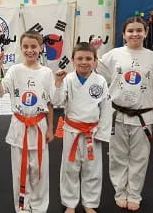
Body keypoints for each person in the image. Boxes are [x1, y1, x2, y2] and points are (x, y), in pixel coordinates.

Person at [95, 16, 153, 211]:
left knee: (140, 156)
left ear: (146, 32)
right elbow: (95, 71)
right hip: (117, 113)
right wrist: (95, 51)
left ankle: (134, 193)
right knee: (117, 156)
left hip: (143, 114)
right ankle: (120, 192)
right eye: (130, 30)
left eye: (139, 30)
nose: (134, 34)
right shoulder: (114, 55)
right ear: (123, 34)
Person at [0, 30, 55, 213]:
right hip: (19, 124)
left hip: (39, 125)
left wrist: (51, 128)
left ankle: (39, 207)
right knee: (20, 170)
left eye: (33, 46)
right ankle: (22, 206)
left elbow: (50, 103)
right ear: (21, 48)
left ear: (41, 48)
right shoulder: (14, 70)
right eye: (26, 46)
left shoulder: (46, 73)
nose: (30, 50)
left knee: (39, 169)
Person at [52, 42, 112, 213]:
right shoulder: (68, 79)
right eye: (80, 58)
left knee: (92, 169)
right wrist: (57, 83)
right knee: (69, 168)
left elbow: (106, 109)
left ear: (95, 61)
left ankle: (90, 203)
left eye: (88, 58)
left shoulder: (100, 81)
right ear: (72, 60)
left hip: (92, 132)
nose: (84, 62)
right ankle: (70, 203)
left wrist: (102, 132)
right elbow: (57, 102)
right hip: (72, 130)